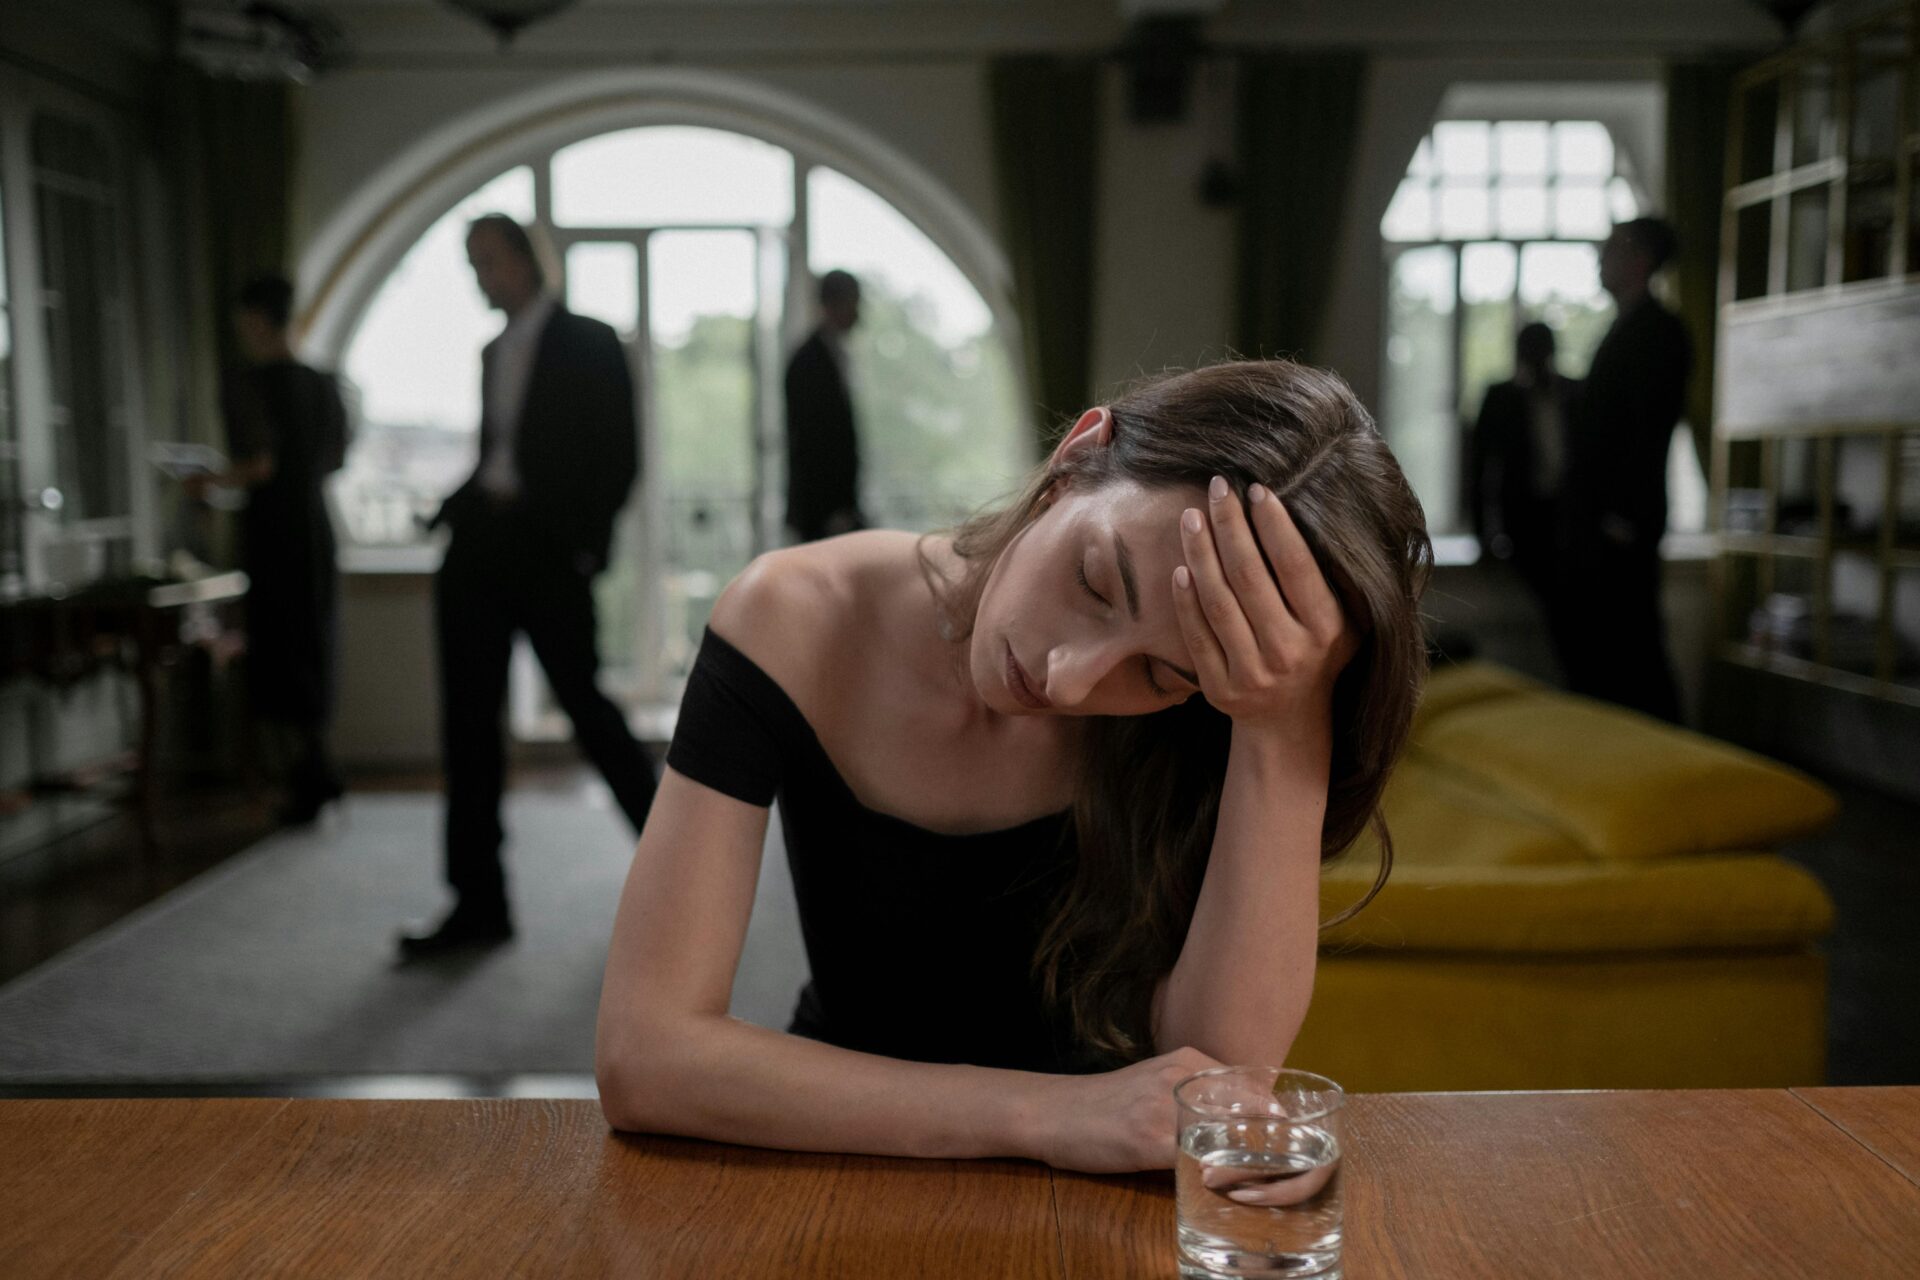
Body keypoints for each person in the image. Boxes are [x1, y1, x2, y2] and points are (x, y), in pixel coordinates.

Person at [595, 360, 1432, 1173]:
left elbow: (1217, 1077)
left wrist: (1281, 725)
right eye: (1099, 584)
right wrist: (1044, 1114)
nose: (1069, 681)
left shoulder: (1214, 715)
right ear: (1075, 458)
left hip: (1099, 1195)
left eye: (1160, 675)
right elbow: (647, 1054)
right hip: (836, 1159)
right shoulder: (795, 617)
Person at [400, 213, 657, 958]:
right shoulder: (492, 351)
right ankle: (478, 904)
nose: (479, 277)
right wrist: (450, 510)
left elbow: (619, 457)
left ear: (522, 260)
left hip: (550, 554)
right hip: (479, 548)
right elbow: (498, 459)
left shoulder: (590, 339)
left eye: (486, 261)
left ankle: (680, 864)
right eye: (470, 264)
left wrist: (584, 547)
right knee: (468, 728)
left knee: (587, 708)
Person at [196, 273, 349, 826]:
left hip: (274, 531)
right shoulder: (324, 384)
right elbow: (333, 458)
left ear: (256, 318)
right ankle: (315, 770)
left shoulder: (249, 385)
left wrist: (210, 482)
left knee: (280, 649)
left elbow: (261, 464)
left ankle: (306, 778)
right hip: (314, 526)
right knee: (312, 643)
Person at [1556, 217, 1692, 721]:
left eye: (1610, 249)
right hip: (1603, 523)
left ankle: (1663, 764)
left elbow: (1647, 429)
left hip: (1620, 526)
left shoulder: (1659, 331)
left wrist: (1621, 518)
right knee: (1606, 650)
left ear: (1640, 258)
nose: (1599, 258)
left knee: (1632, 650)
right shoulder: (1627, 328)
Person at [1471, 322, 1576, 615]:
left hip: (1569, 522)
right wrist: (1484, 535)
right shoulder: (1501, 399)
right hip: (1524, 525)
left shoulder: (1575, 393)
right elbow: (1479, 469)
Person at [784, 269, 865, 542]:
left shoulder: (826, 355)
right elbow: (815, 442)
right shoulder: (809, 361)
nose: (858, 314)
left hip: (833, 510)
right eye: (854, 303)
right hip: (823, 513)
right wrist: (834, 510)